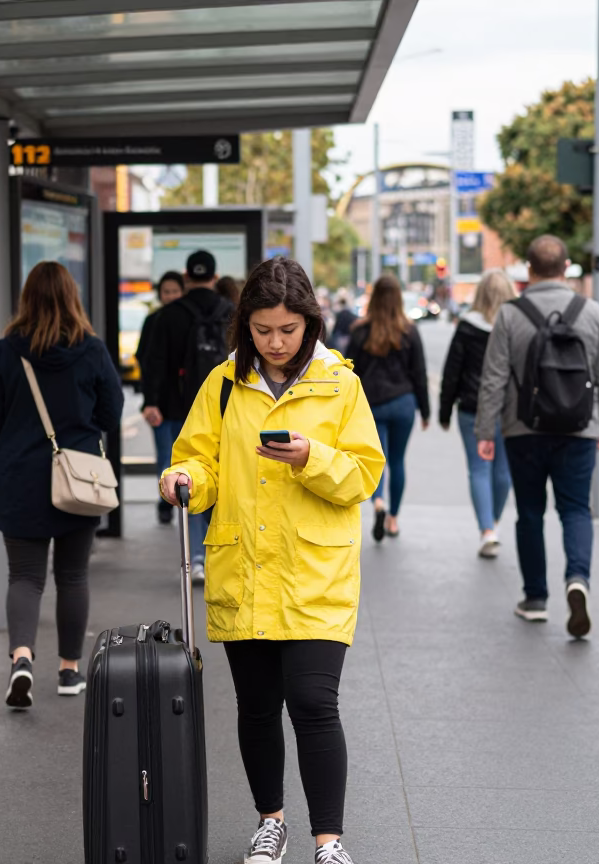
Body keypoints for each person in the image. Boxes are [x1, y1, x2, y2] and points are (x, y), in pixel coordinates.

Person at [159, 257, 383, 864]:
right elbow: (199, 459)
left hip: (315, 573)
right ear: (245, 326)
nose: (276, 343)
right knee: (257, 707)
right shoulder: (224, 383)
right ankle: (270, 821)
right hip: (246, 568)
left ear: (309, 323)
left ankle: (329, 841)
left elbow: (364, 473)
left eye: (288, 330)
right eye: (263, 331)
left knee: (313, 703)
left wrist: (312, 457)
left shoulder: (341, 384)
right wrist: (182, 476)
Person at [0, 261, 123, 711]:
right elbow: (112, 414)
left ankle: (21, 659)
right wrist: (80, 428)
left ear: (27, 299)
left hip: (19, 478)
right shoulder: (90, 350)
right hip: (78, 479)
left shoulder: (6, 351)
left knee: (26, 577)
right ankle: (69, 670)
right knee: (73, 575)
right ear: (72, 297)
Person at [474, 235, 599, 638]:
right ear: (567, 267)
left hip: (524, 430)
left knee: (530, 512)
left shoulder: (510, 314)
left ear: (529, 270)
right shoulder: (591, 312)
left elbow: (494, 379)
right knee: (575, 510)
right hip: (579, 430)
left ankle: (535, 599)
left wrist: (486, 430)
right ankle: (577, 580)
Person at [141, 250, 235, 582]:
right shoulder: (231, 312)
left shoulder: (168, 315)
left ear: (186, 277)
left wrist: (150, 401)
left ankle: (196, 557)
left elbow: (153, 362)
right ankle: (221, 551)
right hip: (225, 411)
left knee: (187, 480)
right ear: (214, 275)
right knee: (225, 480)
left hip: (175, 409)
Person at [346, 273, 430, 542]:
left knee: (376, 461)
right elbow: (419, 373)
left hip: (371, 406)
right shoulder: (409, 331)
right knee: (397, 460)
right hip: (403, 403)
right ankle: (393, 519)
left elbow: (349, 372)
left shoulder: (360, 331)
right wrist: (426, 411)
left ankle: (378, 503)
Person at [438, 270, 516, 558]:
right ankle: (493, 521)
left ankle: (487, 530)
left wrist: (445, 412)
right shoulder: (516, 325)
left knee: (479, 468)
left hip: (472, 407)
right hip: (510, 410)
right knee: (504, 471)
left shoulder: (467, 326)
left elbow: (452, 371)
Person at [136, 271, 186, 525]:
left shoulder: (190, 319)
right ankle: (165, 502)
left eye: (175, 291)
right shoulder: (153, 320)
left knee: (185, 455)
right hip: (162, 403)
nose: (170, 296)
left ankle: (183, 499)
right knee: (165, 454)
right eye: (166, 291)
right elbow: (144, 359)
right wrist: (149, 400)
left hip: (186, 404)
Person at [327, 291, 358, 356]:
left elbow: (336, 326)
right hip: (346, 337)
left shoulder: (339, 314)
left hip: (340, 337)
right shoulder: (350, 314)